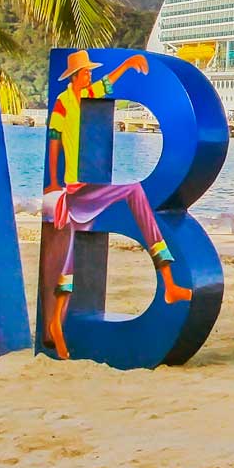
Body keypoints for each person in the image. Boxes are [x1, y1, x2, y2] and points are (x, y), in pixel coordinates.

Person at [42, 50, 187, 359]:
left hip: (86, 191)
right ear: (75, 77)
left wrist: (128, 64)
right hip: (75, 191)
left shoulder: (87, 95)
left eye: (89, 73)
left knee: (69, 266)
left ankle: (56, 324)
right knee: (134, 191)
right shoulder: (63, 104)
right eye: (85, 73)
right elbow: (54, 139)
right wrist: (53, 180)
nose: (89, 76)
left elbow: (107, 83)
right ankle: (170, 281)